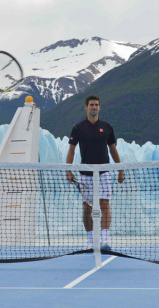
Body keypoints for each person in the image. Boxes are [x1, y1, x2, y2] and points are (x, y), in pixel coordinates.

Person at [65, 95, 125, 250]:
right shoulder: (78, 128)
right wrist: (68, 170)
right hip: (85, 174)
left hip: (104, 173)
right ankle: (90, 241)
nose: (94, 107)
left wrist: (120, 169)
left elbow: (112, 148)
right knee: (87, 207)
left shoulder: (107, 127)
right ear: (86, 107)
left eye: (96, 105)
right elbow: (71, 149)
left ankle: (105, 240)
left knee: (105, 205)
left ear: (100, 107)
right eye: (91, 104)